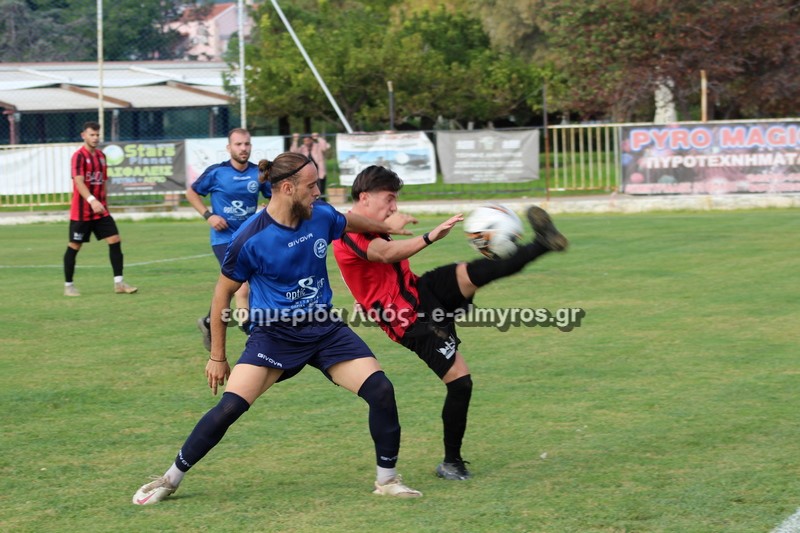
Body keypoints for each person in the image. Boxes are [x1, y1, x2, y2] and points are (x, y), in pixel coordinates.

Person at [132, 153, 422, 505]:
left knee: (380, 389)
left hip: (324, 327)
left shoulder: (320, 215)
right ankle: (169, 478)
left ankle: (387, 480)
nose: (318, 192)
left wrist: (386, 227)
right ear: (287, 188)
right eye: (311, 186)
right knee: (230, 407)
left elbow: (349, 221)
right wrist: (217, 356)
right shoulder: (250, 238)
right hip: (274, 334)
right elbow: (222, 294)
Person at [332, 165, 568, 481]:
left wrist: (387, 231)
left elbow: (368, 267)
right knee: (460, 382)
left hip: (419, 291)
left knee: (474, 273)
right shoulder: (346, 232)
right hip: (409, 320)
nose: (394, 206)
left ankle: (542, 242)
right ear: (364, 197)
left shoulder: (368, 225)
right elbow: (386, 254)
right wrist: (430, 235)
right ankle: (451, 463)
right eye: (389, 198)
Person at [186, 128, 272, 351]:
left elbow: (274, 196)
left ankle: (209, 321)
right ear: (229, 147)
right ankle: (254, 338)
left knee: (242, 285)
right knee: (241, 287)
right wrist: (209, 215)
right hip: (223, 239)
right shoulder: (217, 172)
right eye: (238, 144)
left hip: (250, 238)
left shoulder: (258, 173)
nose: (243, 148)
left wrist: (268, 207)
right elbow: (191, 192)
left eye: (247, 144)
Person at [63, 121, 137, 297]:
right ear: (84, 136)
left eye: (97, 135)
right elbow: (78, 181)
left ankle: (119, 283)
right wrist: (91, 200)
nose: (95, 138)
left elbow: (103, 183)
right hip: (82, 212)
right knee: (75, 245)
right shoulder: (78, 156)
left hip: (100, 211)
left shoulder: (101, 156)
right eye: (92, 135)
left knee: (115, 239)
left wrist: (105, 206)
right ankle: (69, 286)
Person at [290, 132, 331, 198]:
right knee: (310, 190)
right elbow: (293, 152)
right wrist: (295, 140)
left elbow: (325, 146)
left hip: (319, 172)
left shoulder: (318, 146)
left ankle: (322, 201)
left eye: (308, 140)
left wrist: (318, 138)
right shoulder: (302, 148)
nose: (307, 142)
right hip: (308, 174)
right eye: (305, 141)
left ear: (312, 140)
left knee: (321, 190)